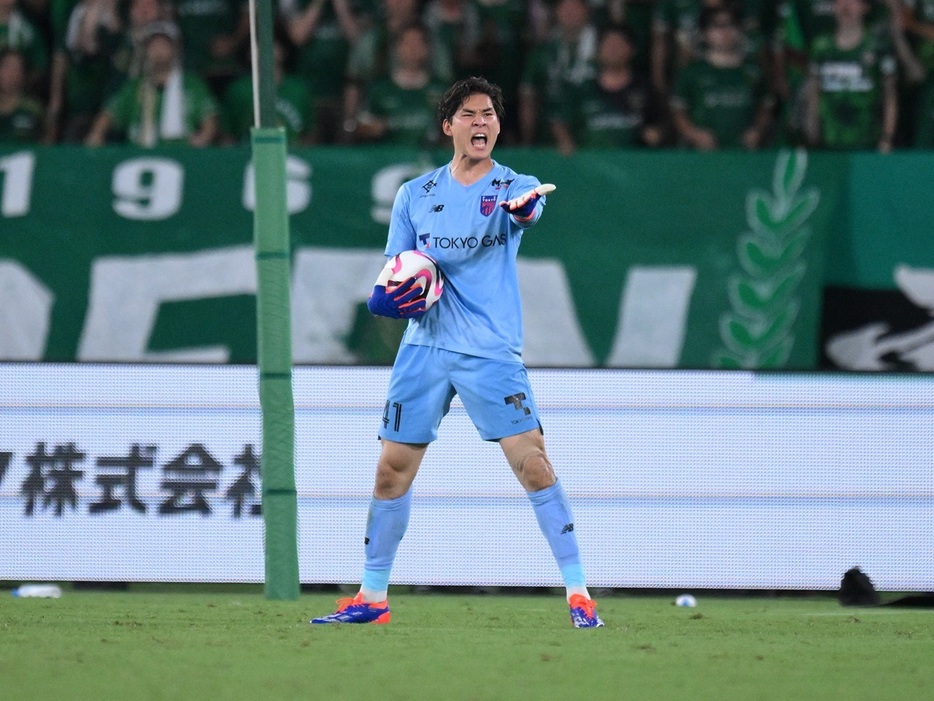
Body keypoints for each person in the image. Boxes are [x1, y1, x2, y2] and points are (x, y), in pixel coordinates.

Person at [310, 76, 604, 629]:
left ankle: (579, 594)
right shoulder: (414, 195)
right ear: (449, 126)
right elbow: (396, 271)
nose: (482, 123)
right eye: (469, 114)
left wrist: (521, 212)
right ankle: (372, 598)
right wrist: (387, 298)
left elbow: (526, 211)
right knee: (390, 474)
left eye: (490, 114)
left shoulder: (515, 186)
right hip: (423, 348)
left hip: (489, 351)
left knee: (534, 464)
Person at [85, 21, 219, 147]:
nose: (158, 50)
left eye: (163, 45)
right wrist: (97, 134)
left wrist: (203, 138)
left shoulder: (192, 84)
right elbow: (109, 113)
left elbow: (209, 119)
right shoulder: (134, 86)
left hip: (183, 153)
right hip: (137, 153)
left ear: (175, 49)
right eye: (153, 46)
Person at [670, 4, 774, 150]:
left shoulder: (754, 71)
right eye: (717, 26)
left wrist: (757, 131)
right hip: (703, 154)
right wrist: (694, 134)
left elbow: (766, 105)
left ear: (740, 30)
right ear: (704, 33)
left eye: (731, 25)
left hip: (745, 153)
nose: (725, 32)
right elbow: (677, 110)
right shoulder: (691, 72)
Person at [551, 23, 665, 153]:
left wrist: (655, 135)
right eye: (608, 44)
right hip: (589, 166)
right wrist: (565, 141)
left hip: (633, 166)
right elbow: (560, 121)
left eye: (618, 44)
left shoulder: (645, 89)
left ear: (632, 49)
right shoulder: (583, 89)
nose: (613, 50)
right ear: (598, 50)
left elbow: (658, 126)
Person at [802, 0, 898, 151]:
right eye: (840, 2)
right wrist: (811, 129)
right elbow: (813, 92)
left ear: (864, 7)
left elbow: (890, 95)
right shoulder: (821, 47)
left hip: (868, 141)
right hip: (829, 141)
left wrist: (887, 137)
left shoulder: (877, 46)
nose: (846, 7)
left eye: (853, 2)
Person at [348, 22, 446, 147]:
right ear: (397, 48)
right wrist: (375, 128)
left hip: (430, 160)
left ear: (428, 48)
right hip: (388, 160)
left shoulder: (441, 89)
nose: (412, 49)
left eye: (418, 43)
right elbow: (359, 127)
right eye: (407, 43)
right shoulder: (379, 88)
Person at [0, 47, 42, 141]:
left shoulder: (32, 109)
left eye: (17, 69)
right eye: (7, 67)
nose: (12, 74)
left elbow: (45, 143)